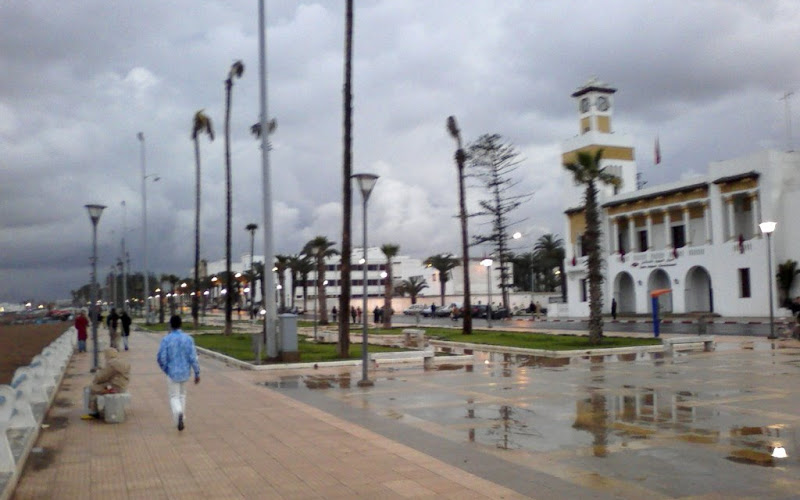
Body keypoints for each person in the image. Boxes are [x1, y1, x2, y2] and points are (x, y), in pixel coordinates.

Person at [157, 315, 200, 431]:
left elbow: (161, 357)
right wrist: (197, 373)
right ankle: (181, 417)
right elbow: (193, 357)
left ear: (170, 325)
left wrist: (166, 369)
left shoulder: (166, 339)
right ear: (181, 324)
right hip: (185, 372)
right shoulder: (188, 339)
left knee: (173, 396)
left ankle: (179, 413)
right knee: (182, 395)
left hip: (172, 372)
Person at [82, 347, 130, 419]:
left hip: (114, 387)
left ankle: (93, 412)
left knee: (91, 388)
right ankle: (105, 407)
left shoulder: (111, 363)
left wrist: (96, 379)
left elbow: (102, 377)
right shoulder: (122, 362)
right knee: (101, 388)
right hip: (122, 386)